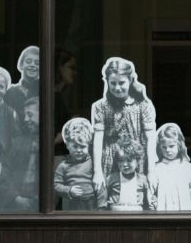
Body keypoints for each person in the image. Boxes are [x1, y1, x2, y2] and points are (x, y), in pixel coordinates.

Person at [92, 57, 158, 192]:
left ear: (131, 80)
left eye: (121, 83)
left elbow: (151, 139)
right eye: (113, 83)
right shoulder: (101, 107)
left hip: (136, 160)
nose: (117, 87)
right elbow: (98, 140)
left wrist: (151, 171)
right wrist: (97, 172)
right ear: (107, 82)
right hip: (110, 161)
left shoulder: (143, 105)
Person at [0, 96, 40, 211]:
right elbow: (3, 171)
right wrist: (15, 198)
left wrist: (38, 200)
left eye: (30, 115)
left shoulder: (53, 146)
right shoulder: (17, 142)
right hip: (15, 203)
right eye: (25, 115)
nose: (26, 119)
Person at [150, 122, 191, 211]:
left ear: (179, 145)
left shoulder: (188, 168)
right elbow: (152, 191)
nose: (168, 150)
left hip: (184, 211)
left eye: (171, 146)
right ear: (159, 147)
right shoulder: (156, 168)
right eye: (164, 147)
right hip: (163, 211)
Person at [55, 117, 97, 211]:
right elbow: (56, 185)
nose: (78, 150)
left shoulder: (93, 163)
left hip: (92, 203)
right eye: (75, 146)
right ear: (67, 146)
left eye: (82, 146)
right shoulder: (63, 166)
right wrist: (68, 190)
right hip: (72, 203)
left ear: (89, 145)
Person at [101, 138, 155, 211]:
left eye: (129, 160)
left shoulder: (143, 180)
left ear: (138, 161)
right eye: (121, 160)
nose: (124, 164)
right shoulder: (111, 178)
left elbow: (149, 202)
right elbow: (102, 202)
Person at [5, 46, 40, 112]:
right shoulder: (11, 92)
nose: (32, 65)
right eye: (28, 61)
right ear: (21, 65)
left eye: (37, 63)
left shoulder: (45, 91)